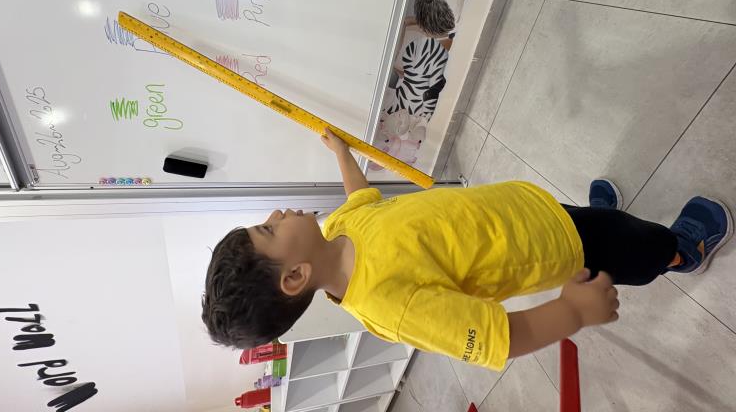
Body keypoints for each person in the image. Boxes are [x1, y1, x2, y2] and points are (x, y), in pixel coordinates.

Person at [201, 129, 732, 370]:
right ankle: (680, 251)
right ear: (295, 276)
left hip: (523, 213)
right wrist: (572, 312)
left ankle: (608, 224)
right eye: (268, 230)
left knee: (597, 224)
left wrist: (342, 154)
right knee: (630, 246)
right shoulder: (390, 303)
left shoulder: (337, 230)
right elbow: (502, 339)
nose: (276, 214)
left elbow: (361, 198)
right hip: (551, 248)